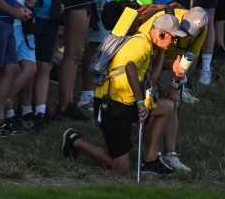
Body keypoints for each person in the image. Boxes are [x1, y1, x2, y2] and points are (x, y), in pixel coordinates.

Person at [61, 13, 184, 175]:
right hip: (112, 106)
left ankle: (150, 161)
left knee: (167, 107)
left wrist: (162, 53)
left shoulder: (149, 46)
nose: (174, 42)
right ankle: (74, 141)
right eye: (173, 38)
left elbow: (151, 81)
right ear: (161, 34)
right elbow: (129, 67)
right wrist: (141, 104)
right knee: (121, 167)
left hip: (127, 103)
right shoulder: (141, 45)